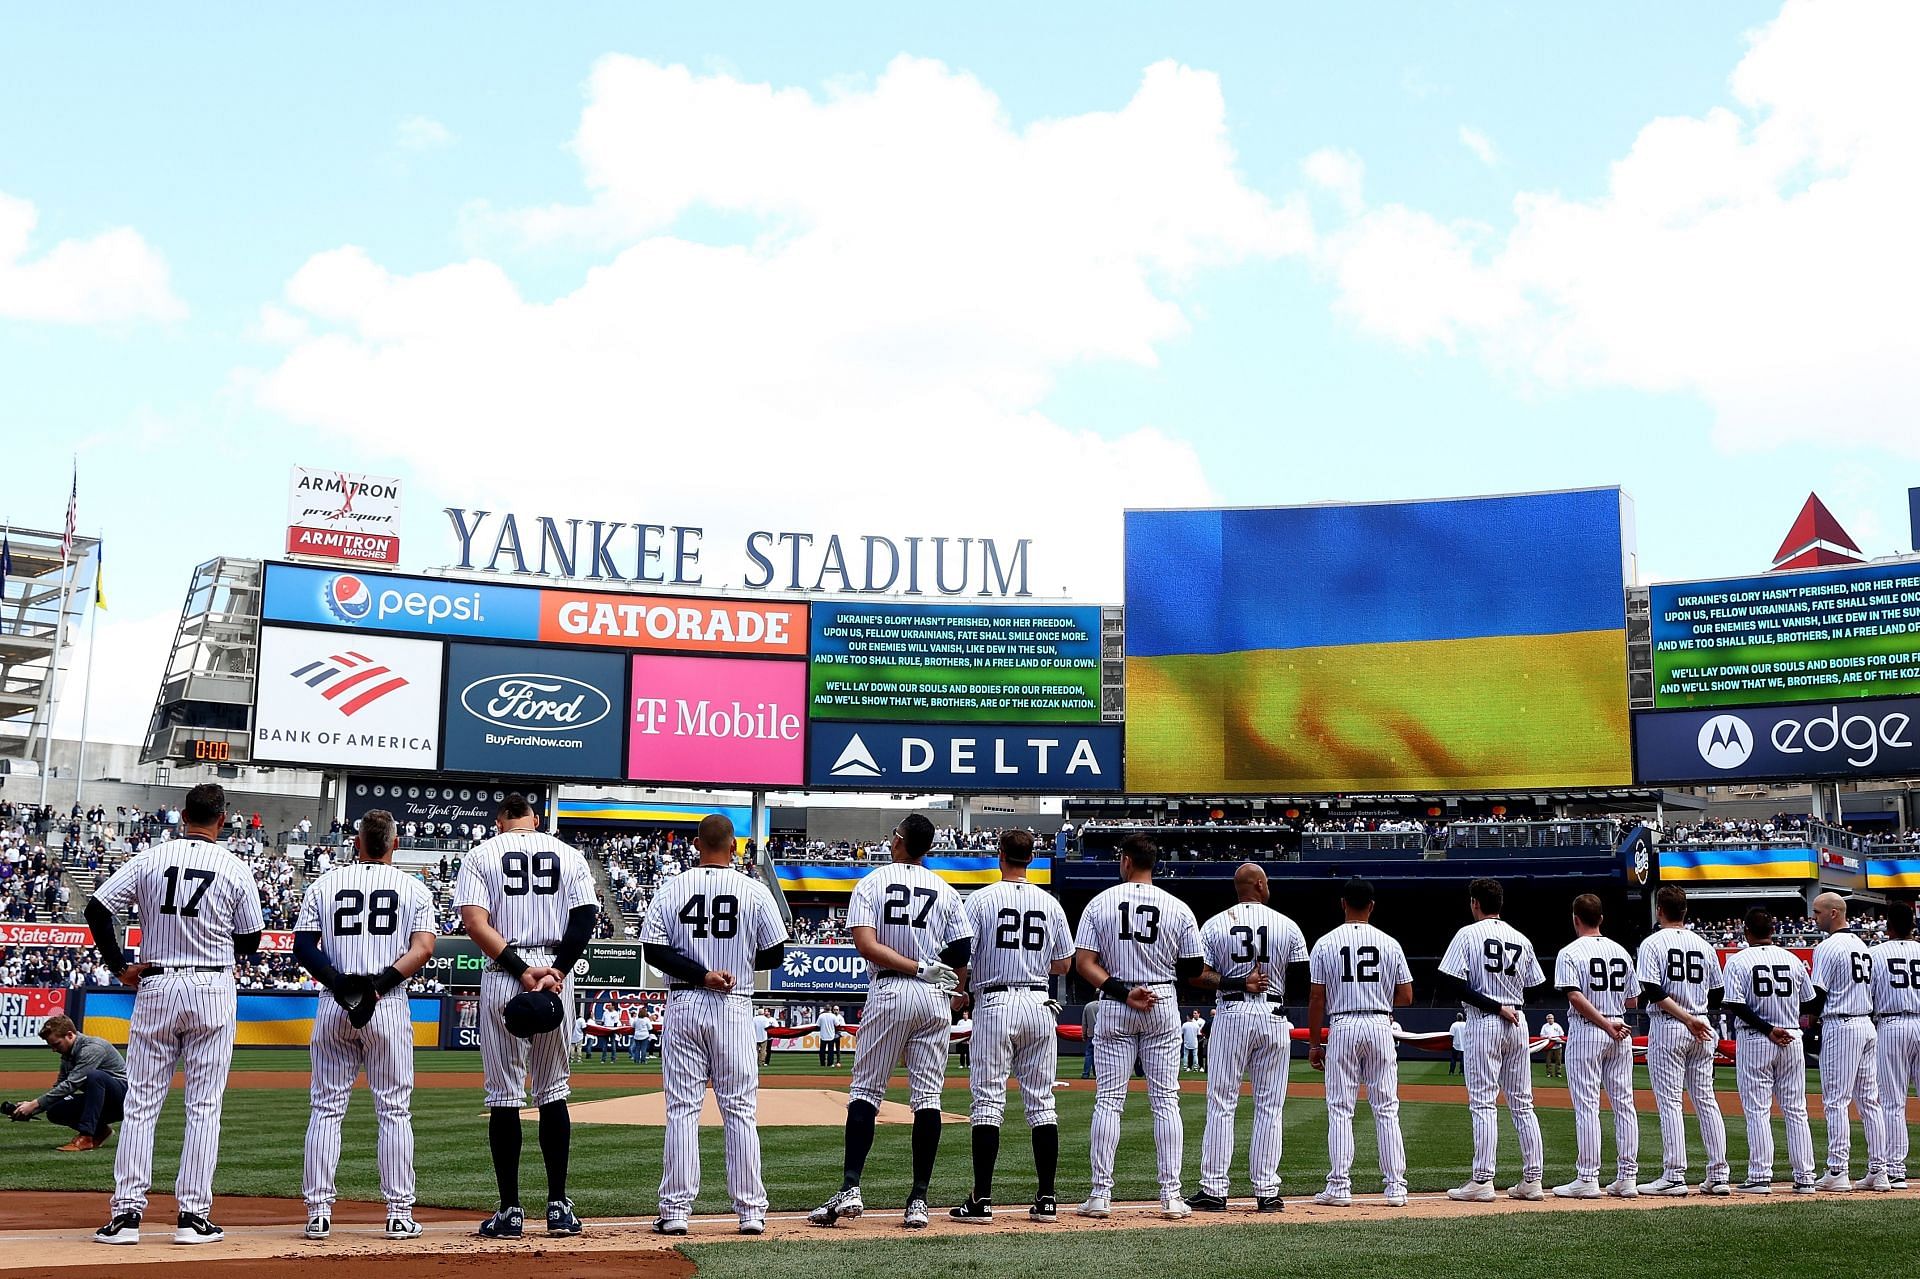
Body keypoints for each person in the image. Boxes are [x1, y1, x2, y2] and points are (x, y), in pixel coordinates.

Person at [85, 782, 265, 1246]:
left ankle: (125, 1215)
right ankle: (192, 1216)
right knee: (203, 1105)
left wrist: (119, 966)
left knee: (142, 1102)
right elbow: (251, 941)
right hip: (211, 984)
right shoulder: (234, 867)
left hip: (158, 982)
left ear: (183, 816)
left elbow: (97, 908)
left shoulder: (150, 858)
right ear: (223, 819)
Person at [808, 814, 972, 1231]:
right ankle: (918, 1199)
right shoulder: (946, 890)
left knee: (865, 1091)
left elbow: (866, 944)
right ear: (929, 847)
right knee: (928, 1099)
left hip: (894, 987)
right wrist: (954, 991)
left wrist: (918, 968)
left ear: (898, 841)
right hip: (935, 994)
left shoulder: (872, 881)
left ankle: (850, 1188)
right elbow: (962, 950)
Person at [456, 793, 599, 1239]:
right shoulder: (569, 854)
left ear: (500, 821)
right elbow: (585, 918)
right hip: (556, 976)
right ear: (535, 819)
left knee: (504, 1094)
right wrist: (556, 971)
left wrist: (522, 971)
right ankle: (558, 1206)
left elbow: (476, 924)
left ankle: (510, 1211)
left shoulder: (481, 854)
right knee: (553, 1089)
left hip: (506, 974)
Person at [293, 808, 438, 1241]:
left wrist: (343, 985)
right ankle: (398, 1213)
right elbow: (424, 948)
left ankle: (318, 1214)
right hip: (388, 1003)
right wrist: (377, 987)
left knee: (326, 1109)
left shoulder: (326, 883)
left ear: (357, 843)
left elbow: (304, 946)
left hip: (335, 1005)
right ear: (394, 844)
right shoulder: (413, 888)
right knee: (393, 1110)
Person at [643, 814, 789, 1236]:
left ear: (695, 844)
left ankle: (675, 1211)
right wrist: (733, 966)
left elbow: (654, 951)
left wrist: (701, 974)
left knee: (683, 1109)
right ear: (734, 847)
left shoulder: (672, 888)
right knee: (740, 1108)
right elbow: (775, 954)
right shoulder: (754, 890)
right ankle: (750, 1212)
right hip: (734, 1004)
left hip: (686, 1002)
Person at [1073, 833, 1204, 1220]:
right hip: (1161, 999)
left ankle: (1100, 1195)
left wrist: (1123, 991)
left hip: (1116, 1000)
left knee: (1109, 1101)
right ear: (1153, 864)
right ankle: (1172, 1196)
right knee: (1165, 1100)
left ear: (1127, 861)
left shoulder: (1100, 903)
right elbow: (1194, 968)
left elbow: (1085, 964)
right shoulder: (1177, 907)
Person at [948, 829, 1074, 1225]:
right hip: (1040, 1001)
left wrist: (961, 990)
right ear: (1032, 858)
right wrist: (1032, 963)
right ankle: (1048, 1199)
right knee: (1042, 1103)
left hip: (997, 1000)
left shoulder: (982, 899)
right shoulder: (1049, 903)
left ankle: (982, 1199)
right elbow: (1064, 964)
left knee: (987, 1101)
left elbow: (963, 955)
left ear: (1000, 855)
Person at [1306, 877, 1413, 1207]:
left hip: (1344, 1022)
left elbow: (1316, 998)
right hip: (1380, 1022)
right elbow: (1407, 996)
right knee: (1386, 1107)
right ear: (1372, 906)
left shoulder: (1325, 943)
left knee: (1340, 1108)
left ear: (1342, 904)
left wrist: (1313, 1043)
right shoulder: (1390, 943)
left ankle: (1339, 1186)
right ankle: (1395, 1187)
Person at [1439, 877, 1547, 1203]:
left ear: (1475, 903)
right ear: (1500, 904)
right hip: (1517, 1021)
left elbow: (1452, 983)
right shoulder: (1521, 938)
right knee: (1523, 1103)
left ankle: (1483, 1180)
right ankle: (1533, 1180)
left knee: (1484, 1102)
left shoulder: (1467, 934)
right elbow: (1536, 985)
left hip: (1485, 1021)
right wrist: (1507, 1000)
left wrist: (1495, 1004)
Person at [1634, 884, 1732, 1196]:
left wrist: (1685, 1016)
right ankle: (1719, 1175)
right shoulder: (1703, 944)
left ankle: (1674, 1175)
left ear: (1659, 911)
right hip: (1701, 1024)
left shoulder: (1653, 942)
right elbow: (1718, 992)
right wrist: (1696, 1012)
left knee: (1670, 1102)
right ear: (1685, 911)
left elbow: (1651, 989)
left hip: (1670, 1025)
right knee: (1705, 1099)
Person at [1721, 908, 1817, 1195]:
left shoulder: (1739, 960)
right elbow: (1810, 1003)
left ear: (1745, 931)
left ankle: (1760, 1176)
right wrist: (1787, 1019)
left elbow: (1735, 1004)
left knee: (1757, 1110)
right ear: (1773, 930)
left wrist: (1767, 1028)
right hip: (1791, 1038)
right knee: (1796, 1109)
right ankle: (1806, 1177)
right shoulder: (1793, 960)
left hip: (1756, 1039)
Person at [1550, 893, 1638, 1199]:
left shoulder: (1570, 952)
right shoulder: (1621, 952)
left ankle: (1588, 1178)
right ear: (1601, 918)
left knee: (1587, 1105)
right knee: (1624, 1104)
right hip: (1620, 1028)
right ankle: (1627, 1177)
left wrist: (1603, 1022)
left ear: (1575, 919)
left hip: (1590, 1029)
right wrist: (1612, 1018)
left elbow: (1574, 996)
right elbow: (1633, 1000)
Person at [1809, 892, 1890, 1191]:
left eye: (1817, 912)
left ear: (1833, 913)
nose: (1813, 918)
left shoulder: (1828, 947)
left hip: (1841, 1024)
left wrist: (1804, 1018)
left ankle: (1837, 1170)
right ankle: (1879, 1171)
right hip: (1866, 1024)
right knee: (1869, 1101)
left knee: (1836, 1101)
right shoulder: (1862, 945)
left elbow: (1817, 995)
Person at [7, 1015, 126, 1151]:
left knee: (95, 1076)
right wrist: (31, 1110)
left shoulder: (93, 1048)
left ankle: (86, 1136)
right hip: (100, 1101)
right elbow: (60, 1087)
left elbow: (71, 1084)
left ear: (70, 1035)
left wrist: (34, 1104)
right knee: (55, 1109)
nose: (54, 1050)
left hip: (123, 1099)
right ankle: (101, 1131)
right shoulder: (67, 1055)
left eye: (56, 1044)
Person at [1870, 901, 1920, 1191]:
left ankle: (1896, 1170)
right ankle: (1896, 1169)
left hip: (1893, 1024)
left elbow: (1869, 994)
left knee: (1892, 1102)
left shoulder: (1875, 953)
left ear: (1887, 925)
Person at [1079, 997, 1099, 1080]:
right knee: (1099, 1055)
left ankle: (1085, 1074)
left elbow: (1084, 1022)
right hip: (1102, 1034)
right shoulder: (1105, 1005)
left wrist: (1083, 1034)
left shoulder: (1088, 1006)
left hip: (1091, 1033)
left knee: (1089, 1054)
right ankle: (1097, 1073)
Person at [1540, 1015, 1565, 1079]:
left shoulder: (1557, 1025)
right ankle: (1549, 1073)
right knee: (1548, 1060)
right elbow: (1541, 1035)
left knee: (1558, 1060)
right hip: (1549, 1046)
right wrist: (1547, 1037)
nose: (1550, 1019)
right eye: (1549, 1018)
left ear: (1553, 1019)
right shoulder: (1545, 1026)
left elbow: (1562, 1034)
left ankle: (1558, 1073)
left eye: (1551, 1018)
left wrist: (1556, 1039)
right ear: (1547, 1020)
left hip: (1557, 1045)